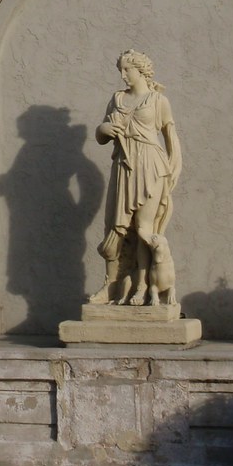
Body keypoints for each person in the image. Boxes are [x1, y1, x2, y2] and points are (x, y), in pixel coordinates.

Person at [88, 49, 181, 305]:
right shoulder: (117, 99)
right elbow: (101, 136)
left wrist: (172, 170)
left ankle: (141, 286)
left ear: (140, 71)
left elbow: (171, 139)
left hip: (151, 166)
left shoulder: (158, 100)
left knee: (143, 229)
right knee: (115, 228)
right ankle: (112, 286)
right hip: (123, 166)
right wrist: (103, 129)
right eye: (120, 70)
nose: (122, 75)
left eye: (126, 70)